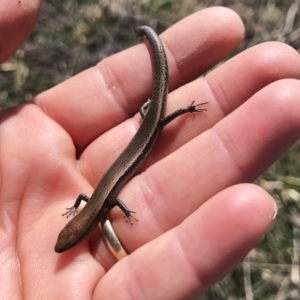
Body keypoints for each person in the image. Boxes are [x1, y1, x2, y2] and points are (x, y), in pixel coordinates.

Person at [1, 4, 299, 299]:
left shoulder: (96, 212)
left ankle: (155, 49)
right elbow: (95, 200)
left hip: (147, 135)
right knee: (155, 113)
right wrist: (109, 210)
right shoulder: (92, 208)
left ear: (79, 230)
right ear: (76, 230)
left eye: (66, 239)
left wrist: (186, 111)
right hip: (139, 143)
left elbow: (110, 201)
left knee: (159, 120)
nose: (65, 243)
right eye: (68, 241)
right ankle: (149, 40)